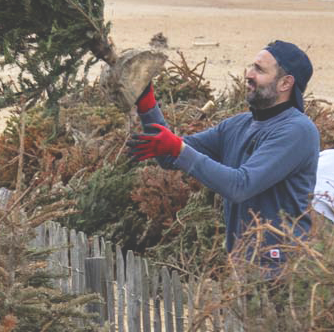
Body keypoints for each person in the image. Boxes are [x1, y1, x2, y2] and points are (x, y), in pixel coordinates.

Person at [126, 40, 321, 267]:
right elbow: (170, 156)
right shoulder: (238, 125)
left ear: (285, 83)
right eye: (251, 66)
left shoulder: (297, 131)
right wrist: (147, 104)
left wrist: (178, 149)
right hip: (243, 267)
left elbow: (240, 185)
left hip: (283, 272)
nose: (248, 74)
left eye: (259, 69)